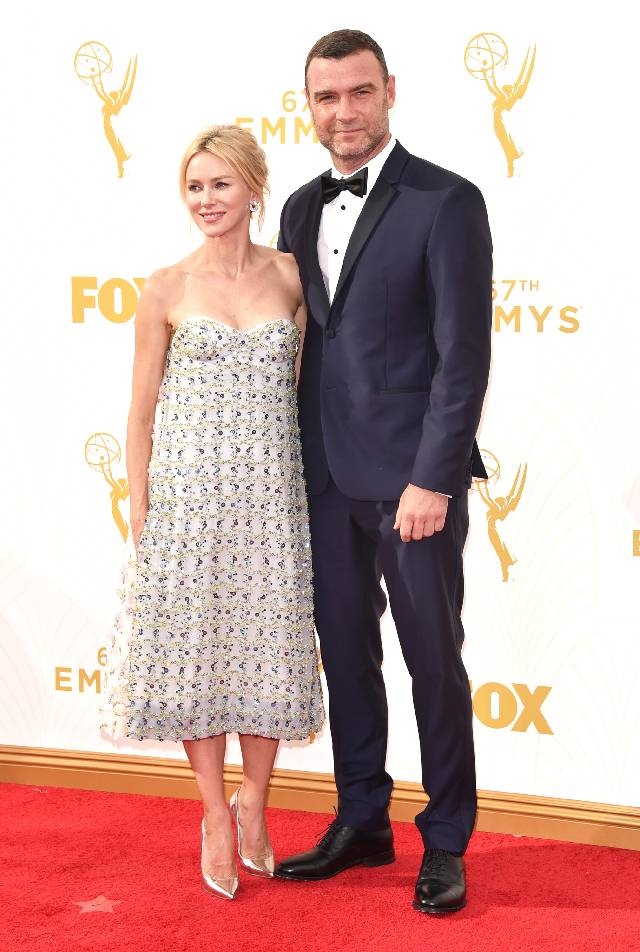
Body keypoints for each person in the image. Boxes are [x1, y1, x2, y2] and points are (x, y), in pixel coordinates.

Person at [275, 30, 492, 914]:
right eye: (327, 97)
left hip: (412, 483)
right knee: (349, 658)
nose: (345, 113)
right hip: (323, 477)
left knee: (433, 660)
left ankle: (445, 841)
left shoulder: (447, 201)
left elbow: (462, 356)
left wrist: (434, 477)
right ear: (309, 104)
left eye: (359, 93)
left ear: (390, 91)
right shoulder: (295, 206)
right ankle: (363, 817)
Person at [99, 125, 324, 900]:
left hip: (271, 496)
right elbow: (139, 412)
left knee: (265, 652)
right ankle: (214, 817)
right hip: (188, 506)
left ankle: (255, 802)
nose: (206, 201)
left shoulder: (294, 278)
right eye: (194, 187)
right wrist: (143, 507)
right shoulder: (165, 285)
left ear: (253, 187)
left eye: (220, 185)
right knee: (197, 659)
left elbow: (308, 389)